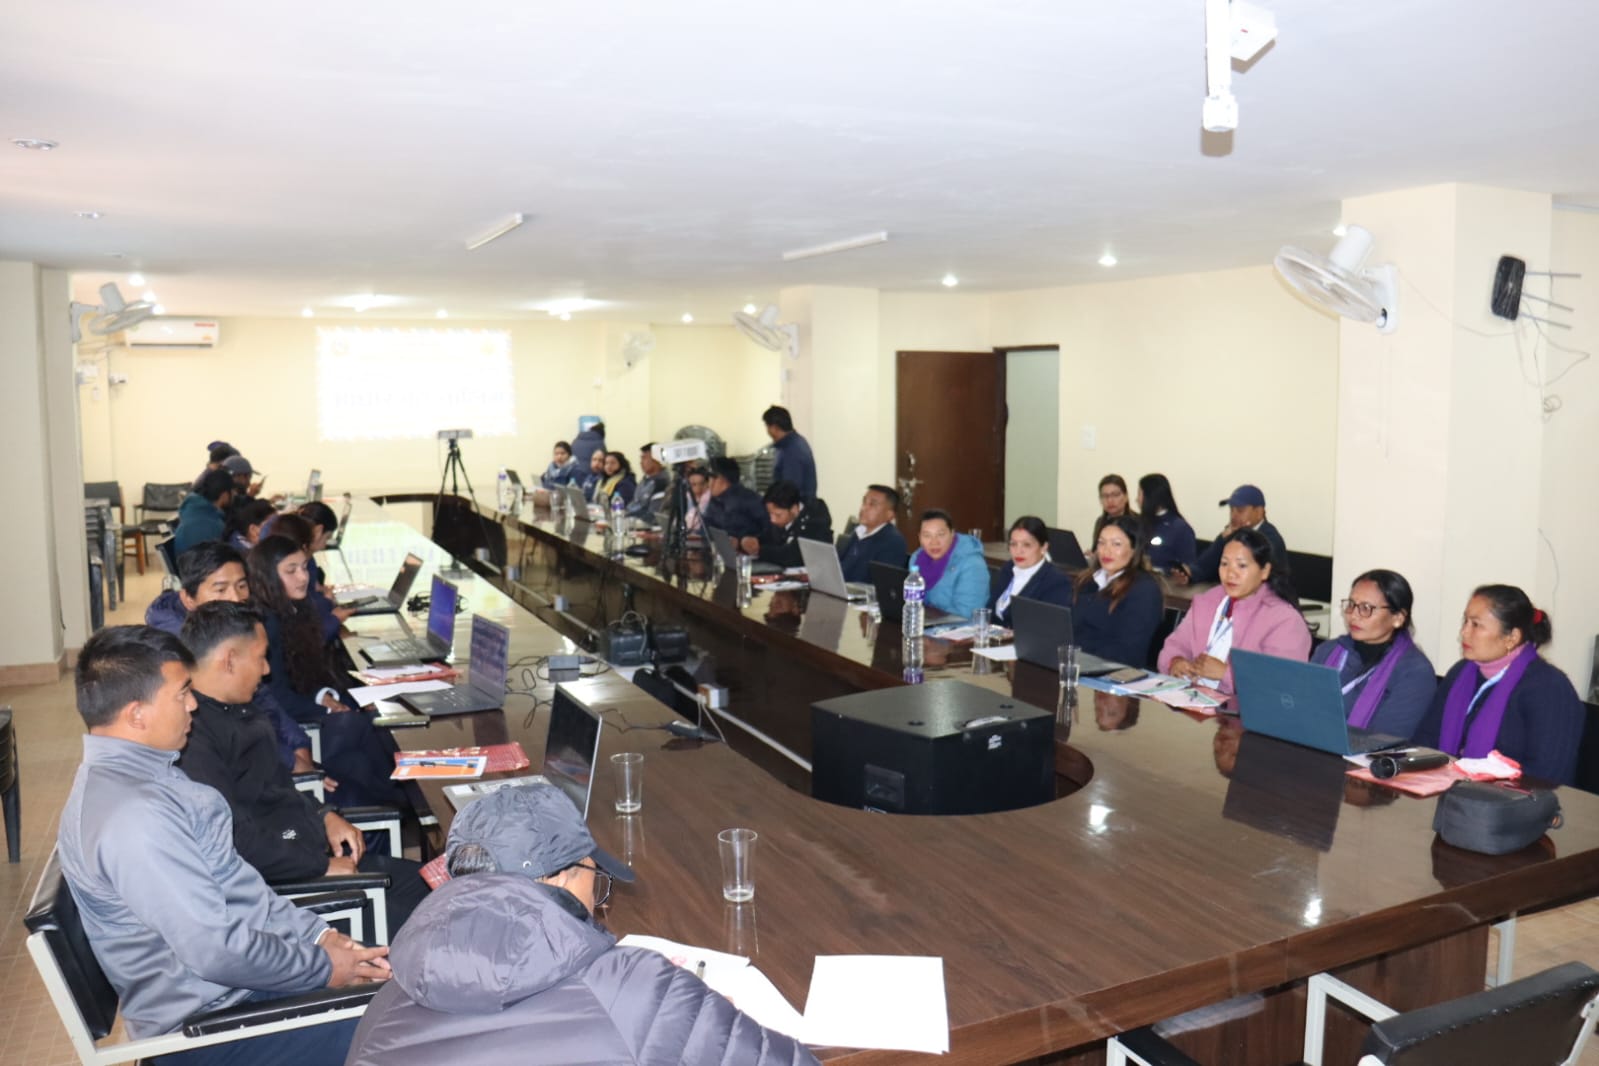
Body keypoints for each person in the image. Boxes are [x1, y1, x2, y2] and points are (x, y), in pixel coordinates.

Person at [56, 625, 389, 1066]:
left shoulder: (150, 779)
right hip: (210, 1031)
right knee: (405, 1031)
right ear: (137, 714)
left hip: (237, 994)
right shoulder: (133, 818)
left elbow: (238, 886)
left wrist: (320, 935)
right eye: (182, 694)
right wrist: (324, 967)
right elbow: (215, 951)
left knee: (404, 997)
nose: (194, 704)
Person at [344, 784, 819, 1066]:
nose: (597, 900)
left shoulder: (393, 996)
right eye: (595, 877)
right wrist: (701, 1019)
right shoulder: (634, 990)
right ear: (560, 877)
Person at [176, 601, 429, 932]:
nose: (267, 669)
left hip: (308, 854)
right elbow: (235, 842)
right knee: (435, 923)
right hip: (293, 896)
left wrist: (323, 814)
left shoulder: (239, 708)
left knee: (439, 890)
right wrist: (318, 867)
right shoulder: (193, 738)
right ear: (229, 660)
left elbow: (278, 787)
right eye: (261, 657)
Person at [247, 535, 406, 808]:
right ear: (267, 577)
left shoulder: (292, 609)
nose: (303, 577)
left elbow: (299, 677)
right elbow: (277, 696)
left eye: (304, 567)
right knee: (362, 724)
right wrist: (326, 708)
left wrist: (324, 696)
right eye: (291, 570)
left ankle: (400, 800)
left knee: (361, 745)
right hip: (288, 729)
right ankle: (405, 798)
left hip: (299, 714)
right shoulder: (268, 622)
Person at [146, 541, 315, 773]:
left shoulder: (235, 626)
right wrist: (290, 760)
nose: (235, 598)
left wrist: (298, 743)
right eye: (220, 589)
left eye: (242, 586)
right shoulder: (185, 653)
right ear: (188, 599)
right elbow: (234, 724)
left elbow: (262, 696)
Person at [1413, 585, 1584, 784]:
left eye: (1476, 625)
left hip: (1511, 799)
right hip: (1448, 789)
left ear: (1512, 637)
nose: (1464, 633)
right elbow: (1426, 739)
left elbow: (1547, 775)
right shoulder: (1461, 673)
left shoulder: (1549, 688)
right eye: (1465, 621)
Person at [1158, 527, 1309, 695]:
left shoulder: (1284, 620)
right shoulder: (1208, 601)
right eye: (1224, 564)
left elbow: (1281, 684)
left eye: (1241, 565)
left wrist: (1226, 673)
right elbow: (1176, 644)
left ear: (1264, 571)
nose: (1230, 573)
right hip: (1193, 700)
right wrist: (1175, 661)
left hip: (1242, 710)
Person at [1310, 569, 1437, 739]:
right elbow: (1301, 705)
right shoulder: (1328, 651)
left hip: (1363, 754)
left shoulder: (1414, 672)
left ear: (1398, 618)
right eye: (1351, 604)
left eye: (1366, 608)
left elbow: (1383, 739)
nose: (1353, 615)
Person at [1068, 515, 1164, 667]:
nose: (1106, 551)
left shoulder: (1144, 590)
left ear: (1134, 550)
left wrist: (1075, 655)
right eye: (1101, 543)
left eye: (1116, 544)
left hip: (1113, 672)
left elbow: (1128, 652)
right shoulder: (1086, 581)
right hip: (1077, 663)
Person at [1185, 484, 1289, 585]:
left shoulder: (1270, 539)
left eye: (1240, 510)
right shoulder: (1231, 533)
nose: (1234, 516)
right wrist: (1188, 574)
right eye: (1231, 510)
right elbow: (1204, 567)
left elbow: (1257, 581)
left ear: (1259, 512)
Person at [987, 516, 1073, 627]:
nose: (1018, 551)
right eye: (1013, 544)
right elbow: (990, 611)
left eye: (1026, 545)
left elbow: (1047, 628)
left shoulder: (1056, 582)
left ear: (1044, 547)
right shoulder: (1008, 569)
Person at [909, 509, 988, 620]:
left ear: (952, 534)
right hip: (926, 622)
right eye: (927, 536)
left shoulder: (972, 564)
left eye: (940, 535)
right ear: (919, 537)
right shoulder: (917, 559)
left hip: (959, 627)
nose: (934, 542)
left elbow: (966, 614)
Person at [745, 479, 833, 566]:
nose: (772, 519)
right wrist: (750, 541)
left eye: (778, 515)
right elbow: (768, 539)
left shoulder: (815, 521)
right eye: (770, 514)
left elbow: (792, 556)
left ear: (794, 509)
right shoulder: (781, 521)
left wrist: (759, 550)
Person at [836, 484, 908, 582]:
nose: (864, 508)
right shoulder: (859, 531)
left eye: (872, 504)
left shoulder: (893, 542)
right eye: (864, 502)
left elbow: (880, 584)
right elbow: (841, 567)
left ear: (889, 514)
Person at [1136, 473, 1197, 576]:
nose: (1137, 499)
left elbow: (1188, 568)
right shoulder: (1139, 523)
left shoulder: (1180, 529)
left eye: (1140, 494)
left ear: (1151, 497)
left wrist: (1157, 570)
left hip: (1164, 582)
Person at [701, 456, 769, 540]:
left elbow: (769, 529)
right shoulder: (715, 501)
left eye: (710, 478)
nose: (708, 483)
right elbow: (705, 528)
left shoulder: (749, 499)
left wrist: (748, 541)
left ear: (720, 479)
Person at [173, 468, 235, 554]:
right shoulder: (213, 525)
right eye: (232, 491)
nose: (234, 494)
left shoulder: (193, 510)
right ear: (224, 495)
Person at [762, 404, 818, 499]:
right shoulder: (794, 443)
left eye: (767, 427)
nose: (767, 431)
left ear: (774, 428)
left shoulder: (792, 451)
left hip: (794, 505)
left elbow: (789, 492)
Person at [1089, 474, 1137, 556]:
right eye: (1105, 496)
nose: (1110, 500)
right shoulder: (1100, 521)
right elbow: (1095, 550)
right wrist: (1093, 555)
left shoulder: (1137, 522)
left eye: (1115, 495)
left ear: (1126, 497)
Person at [626, 443, 671, 520]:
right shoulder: (645, 479)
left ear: (657, 460)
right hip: (632, 519)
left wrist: (628, 516)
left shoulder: (662, 483)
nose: (641, 462)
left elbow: (653, 514)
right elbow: (635, 503)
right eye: (641, 459)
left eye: (644, 458)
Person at [681, 465, 712, 532]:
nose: (698, 489)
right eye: (693, 484)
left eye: (702, 484)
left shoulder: (713, 502)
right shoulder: (685, 499)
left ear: (708, 483)